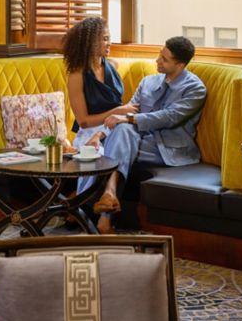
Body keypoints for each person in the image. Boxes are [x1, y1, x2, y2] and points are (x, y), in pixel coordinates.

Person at [86, 36, 206, 234]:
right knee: (122, 133)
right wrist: (99, 134)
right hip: (136, 139)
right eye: (160, 55)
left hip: (166, 148)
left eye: (164, 59)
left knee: (116, 145)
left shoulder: (195, 89)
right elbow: (126, 114)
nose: (157, 61)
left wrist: (128, 119)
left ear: (180, 65)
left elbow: (169, 117)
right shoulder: (148, 82)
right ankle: (107, 205)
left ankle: (81, 205)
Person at [62, 17, 137, 152]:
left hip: (116, 126)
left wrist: (119, 115)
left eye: (109, 38)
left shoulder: (112, 65)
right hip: (90, 133)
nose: (109, 43)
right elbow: (83, 122)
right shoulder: (76, 75)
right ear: (90, 43)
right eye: (105, 39)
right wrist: (117, 111)